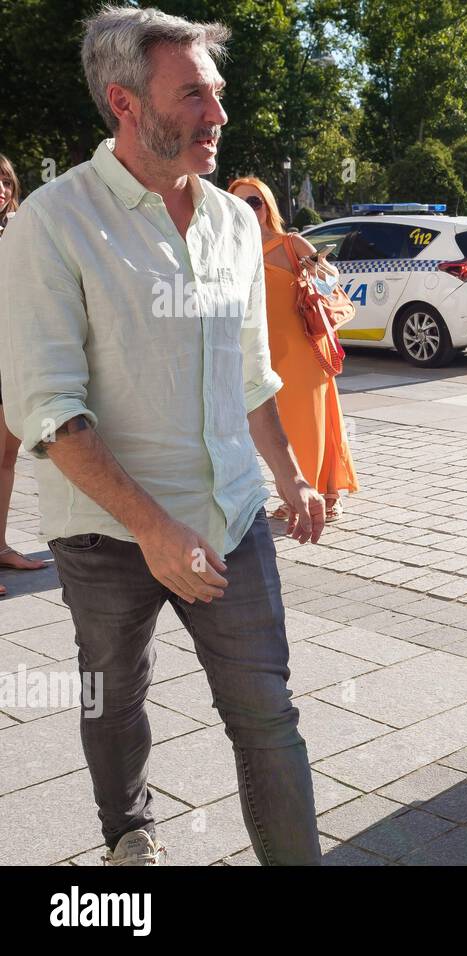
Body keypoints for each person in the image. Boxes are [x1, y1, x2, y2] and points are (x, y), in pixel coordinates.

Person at [0, 6, 326, 865]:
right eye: (194, 96)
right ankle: (128, 833)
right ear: (126, 102)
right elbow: (49, 409)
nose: (219, 115)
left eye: (216, 93)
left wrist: (288, 479)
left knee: (268, 715)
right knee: (116, 694)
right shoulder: (52, 222)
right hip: (108, 534)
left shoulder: (233, 221)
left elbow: (251, 374)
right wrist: (152, 527)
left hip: (233, 517)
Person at [228, 176, 358, 521]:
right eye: (239, 203)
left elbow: (331, 277)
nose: (247, 209)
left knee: (307, 423)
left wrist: (317, 269)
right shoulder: (230, 250)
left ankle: (313, 495)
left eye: (254, 202)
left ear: (267, 205)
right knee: (276, 427)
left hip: (300, 350)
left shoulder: (290, 243)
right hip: (260, 350)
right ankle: (310, 492)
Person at [0, 154, 47, 597]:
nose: (1, 188)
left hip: (10, 357)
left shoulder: (21, 230)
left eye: (5, 181)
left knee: (6, 459)